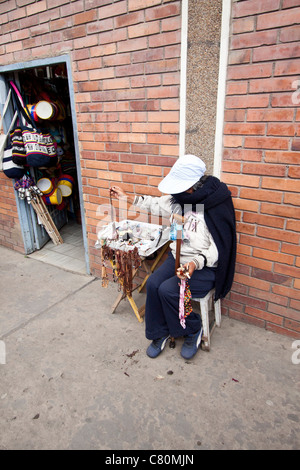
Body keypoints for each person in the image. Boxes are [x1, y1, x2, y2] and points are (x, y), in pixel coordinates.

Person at [110, 154, 236, 360]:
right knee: (153, 285)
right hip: (177, 256)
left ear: (192, 186)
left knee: (169, 289)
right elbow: (156, 204)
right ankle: (159, 332)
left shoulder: (215, 204)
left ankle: (193, 329)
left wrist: (195, 263)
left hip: (205, 266)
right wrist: (129, 198)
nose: (174, 192)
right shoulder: (181, 198)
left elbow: (219, 249)